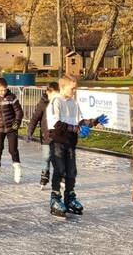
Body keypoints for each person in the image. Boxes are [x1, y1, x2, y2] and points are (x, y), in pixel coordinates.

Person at [46, 75, 108, 218]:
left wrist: (94, 122)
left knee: (72, 171)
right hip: (58, 142)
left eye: (76, 88)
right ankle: (55, 198)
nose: (74, 91)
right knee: (60, 170)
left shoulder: (73, 103)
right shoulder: (56, 102)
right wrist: (77, 130)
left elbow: (79, 122)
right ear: (62, 87)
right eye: (72, 88)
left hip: (70, 143)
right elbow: (57, 125)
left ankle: (70, 196)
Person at [0, 78, 24, 185]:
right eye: (1, 90)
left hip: (11, 127)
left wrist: (17, 122)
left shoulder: (11, 97)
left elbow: (19, 111)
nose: (3, 92)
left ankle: (17, 169)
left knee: (13, 149)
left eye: (5, 90)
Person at [26, 82, 59, 187]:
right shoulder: (43, 103)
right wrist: (30, 131)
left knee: (58, 156)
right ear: (48, 92)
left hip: (58, 135)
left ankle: (60, 176)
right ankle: (45, 174)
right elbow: (35, 117)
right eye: (54, 94)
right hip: (46, 135)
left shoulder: (61, 102)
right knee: (46, 156)